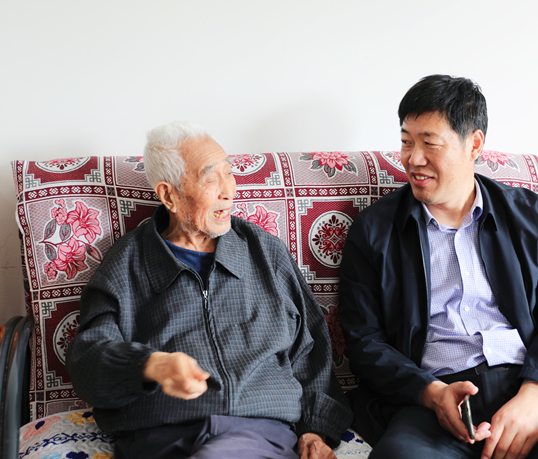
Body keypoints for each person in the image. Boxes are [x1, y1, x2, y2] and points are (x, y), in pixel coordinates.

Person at [338, 75, 538, 459]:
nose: (413, 158)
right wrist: (431, 393)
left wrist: (537, 395)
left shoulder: (530, 215)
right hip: (432, 397)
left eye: (429, 143)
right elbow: (364, 341)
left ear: (474, 144)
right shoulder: (374, 230)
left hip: (533, 384)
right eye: (407, 142)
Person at [66, 121, 351, 459]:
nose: (228, 191)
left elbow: (312, 350)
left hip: (257, 431)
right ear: (169, 195)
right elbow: (87, 361)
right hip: (161, 434)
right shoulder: (127, 263)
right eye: (210, 179)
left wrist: (315, 428)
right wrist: (150, 365)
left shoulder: (264, 253)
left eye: (228, 173)